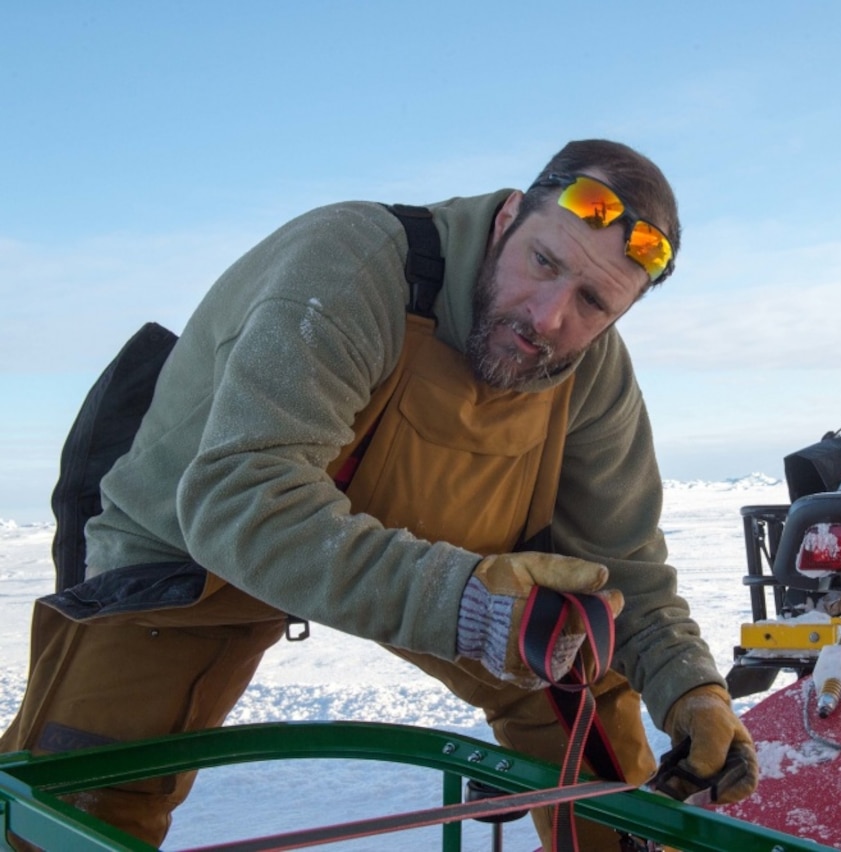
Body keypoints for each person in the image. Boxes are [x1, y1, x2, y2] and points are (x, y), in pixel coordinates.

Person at [1, 139, 758, 850]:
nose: (550, 316)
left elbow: (621, 566)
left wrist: (692, 688)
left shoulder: (590, 375)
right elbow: (241, 498)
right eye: (543, 261)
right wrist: (467, 603)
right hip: (195, 541)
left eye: (594, 302)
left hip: (421, 550)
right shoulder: (352, 263)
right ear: (504, 220)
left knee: (590, 719)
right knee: (79, 795)